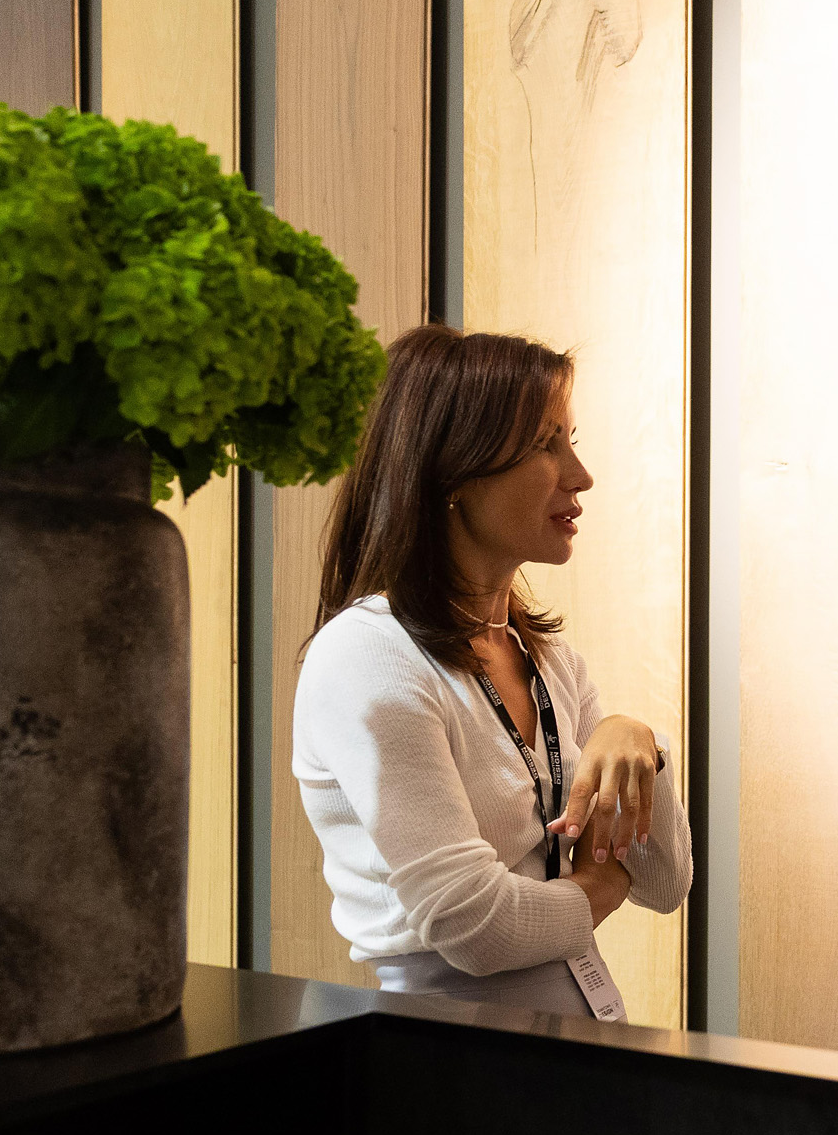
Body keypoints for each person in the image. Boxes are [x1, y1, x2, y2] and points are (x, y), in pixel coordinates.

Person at [293, 326, 690, 1015]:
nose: (581, 475)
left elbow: (665, 879)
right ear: (456, 473)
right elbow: (476, 927)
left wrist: (640, 743)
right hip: (452, 1054)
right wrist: (600, 887)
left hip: (581, 1037)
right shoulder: (368, 654)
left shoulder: (550, 662)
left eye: (571, 440)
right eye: (546, 445)